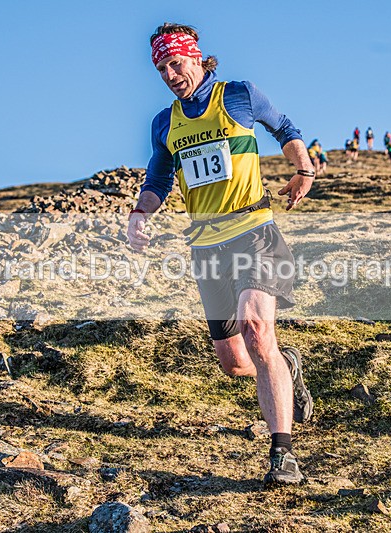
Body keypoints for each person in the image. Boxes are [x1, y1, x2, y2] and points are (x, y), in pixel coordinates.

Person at [128, 23, 315, 487]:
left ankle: (283, 454)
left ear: (197, 58)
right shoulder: (165, 122)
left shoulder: (238, 95)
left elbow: (285, 128)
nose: (170, 74)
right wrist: (139, 213)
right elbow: (158, 180)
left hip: (254, 230)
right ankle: (284, 364)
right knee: (234, 362)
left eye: (176, 63)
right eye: (161, 68)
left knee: (255, 328)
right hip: (206, 245)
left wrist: (303, 168)